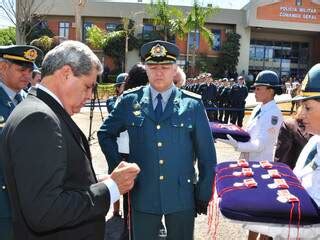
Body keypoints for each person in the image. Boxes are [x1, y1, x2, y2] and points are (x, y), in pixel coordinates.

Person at [0, 40, 140, 240]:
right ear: (66, 73)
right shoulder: (39, 119)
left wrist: (96, 181)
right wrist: (110, 188)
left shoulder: (40, 110)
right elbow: (45, 211)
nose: (90, 96)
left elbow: (54, 180)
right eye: (88, 86)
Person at [97, 40, 217, 240]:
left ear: (175, 69)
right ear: (146, 69)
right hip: (143, 191)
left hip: (181, 194)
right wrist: (120, 168)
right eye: (153, 67)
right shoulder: (129, 101)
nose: (159, 72)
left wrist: (203, 194)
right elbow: (105, 133)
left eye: (165, 67)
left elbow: (207, 156)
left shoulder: (192, 105)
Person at [243, 63, 320, 239]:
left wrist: (247, 214)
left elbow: (312, 222)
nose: (300, 115)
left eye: (307, 107)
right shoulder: (314, 142)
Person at [217, 70, 283, 240]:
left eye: (259, 88)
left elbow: (260, 144)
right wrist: (232, 132)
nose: (255, 91)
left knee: (262, 213)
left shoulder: (273, 114)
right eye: (255, 88)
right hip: (251, 164)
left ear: (271, 90)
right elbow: (249, 133)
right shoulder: (259, 109)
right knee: (254, 213)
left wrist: (237, 145)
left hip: (261, 167)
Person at [0, 45, 42, 240]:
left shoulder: (31, 100)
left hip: (29, 201)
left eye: (30, 70)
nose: (27, 75)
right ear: (2, 67)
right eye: (20, 69)